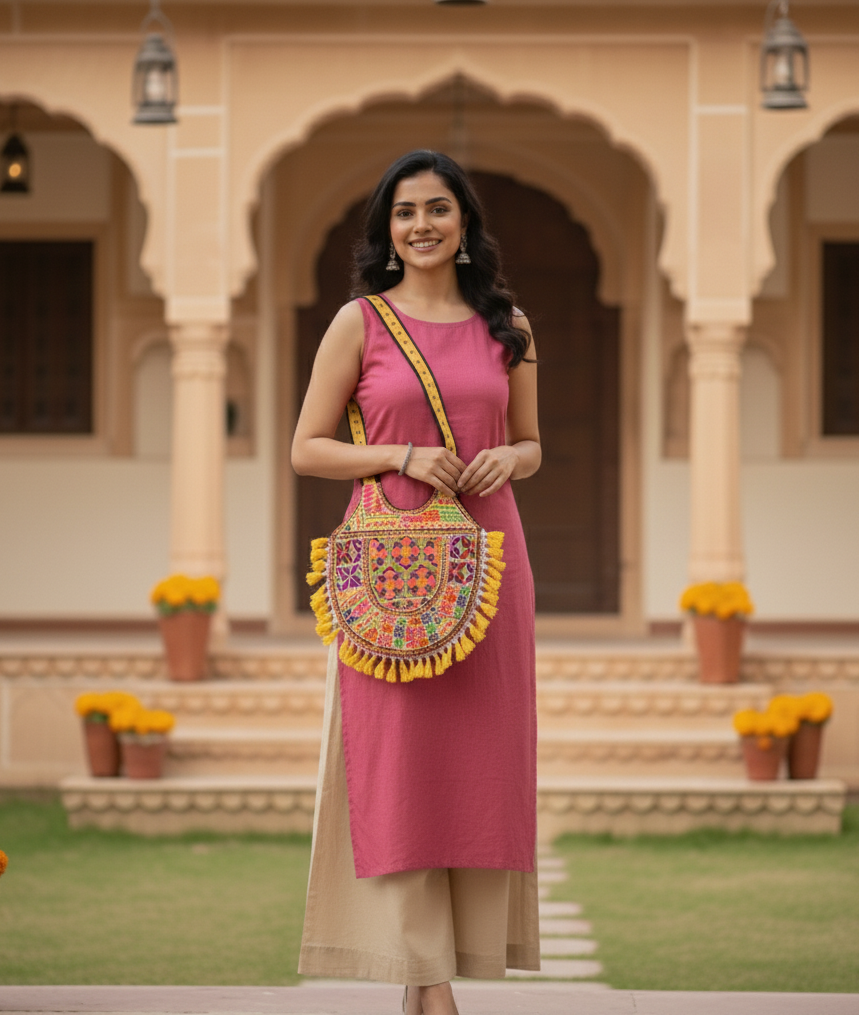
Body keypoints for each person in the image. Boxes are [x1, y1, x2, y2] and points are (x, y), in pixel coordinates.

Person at [292, 149, 541, 1016]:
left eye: (438, 209)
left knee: (476, 770)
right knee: (398, 770)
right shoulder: (358, 323)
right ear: (386, 230)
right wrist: (398, 453)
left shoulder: (508, 323)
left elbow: (531, 444)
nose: (421, 225)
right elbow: (307, 446)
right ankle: (423, 981)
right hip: (393, 567)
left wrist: (509, 454)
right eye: (404, 213)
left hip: (488, 565)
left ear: (465, 223)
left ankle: (444, 968)